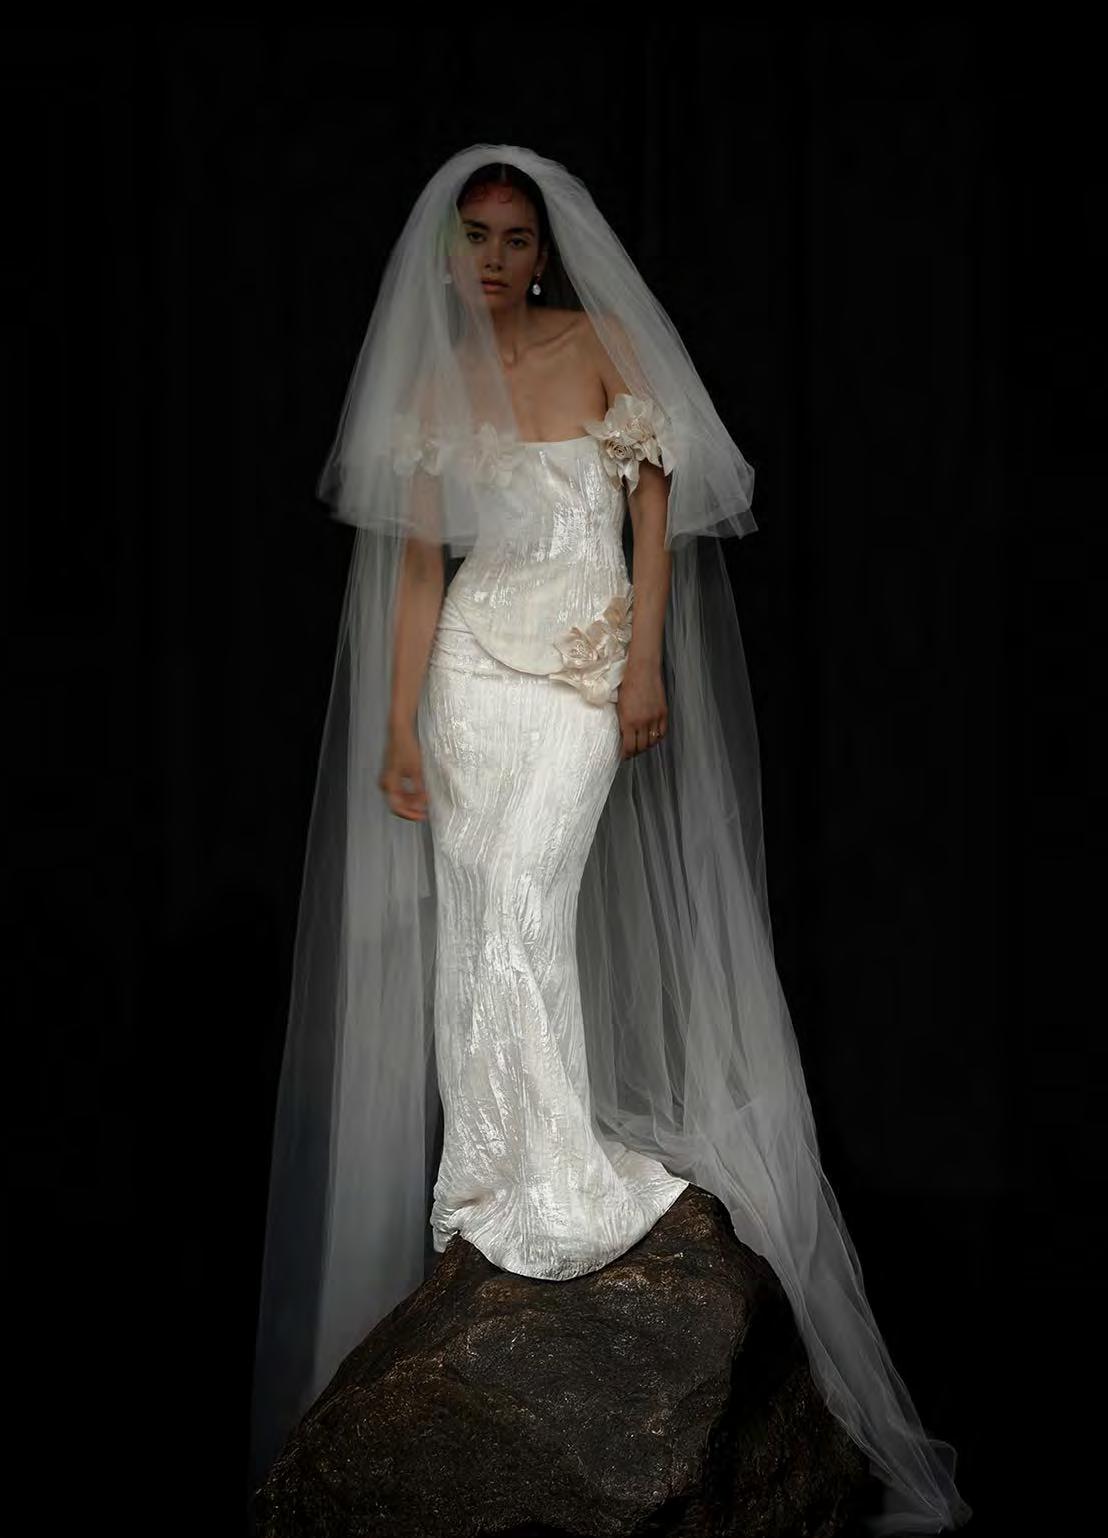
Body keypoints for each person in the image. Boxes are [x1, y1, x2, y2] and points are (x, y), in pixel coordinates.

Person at [249, 145, 973, 1536]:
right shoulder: (431, 388)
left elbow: (654, 506)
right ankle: (489, 1179)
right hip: (470, 677)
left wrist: (645, 662)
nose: (496, 258)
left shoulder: (599, 346)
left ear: (545, 250)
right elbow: (418, 568)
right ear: (448, 254)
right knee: (478, 920)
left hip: (580, 672)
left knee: (528, 905)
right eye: (475, 237)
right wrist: (399, 727)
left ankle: (564, 1183)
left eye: (516, 236)